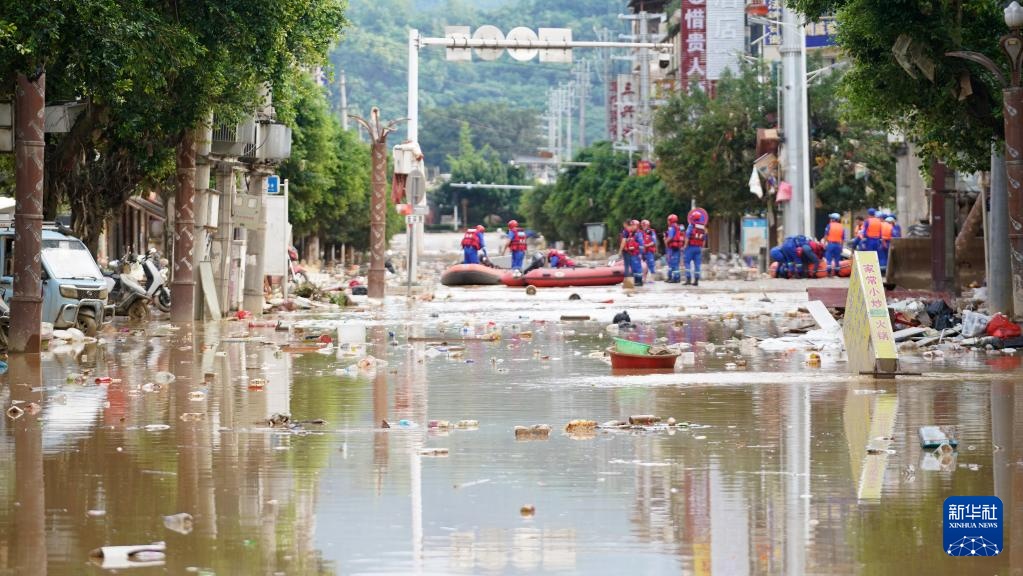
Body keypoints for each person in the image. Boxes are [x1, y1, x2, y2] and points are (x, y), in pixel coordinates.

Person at [683, 214, 707, 286]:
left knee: (687, 263)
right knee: (697, 264)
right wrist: (701, 247)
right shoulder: (703, 227)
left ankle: (688, 279)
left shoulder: (691, 225)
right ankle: (696, 280)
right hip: (698, 248)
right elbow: (704, 239)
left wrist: (685, 245)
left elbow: (687, 236)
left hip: (690, 247)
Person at [664, 214, 684, 283]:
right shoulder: (679, 227)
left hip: (672, 247)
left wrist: (666, 242)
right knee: (675, 262)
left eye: (668, 220)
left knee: (673, 263)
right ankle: (673, 277)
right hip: (677, 246)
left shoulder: (672, 227)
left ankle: (676, 278)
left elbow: (671, 237)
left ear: (670, 220)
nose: (667, 222)